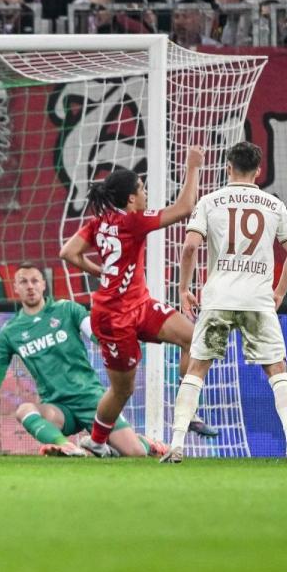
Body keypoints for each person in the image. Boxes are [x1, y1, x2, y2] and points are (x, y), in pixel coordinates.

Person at [0, 263, 210, 456]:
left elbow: (97, 335)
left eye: (35, 280)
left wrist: (125, 335)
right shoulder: (9, 333)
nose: (30, 286)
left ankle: (144, 443)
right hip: (58, 408)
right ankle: (66, 447)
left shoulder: (67, 309)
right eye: (23, 282)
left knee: (135, 454)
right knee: (25, 410)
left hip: (94, 400)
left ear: (43, 284)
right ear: (15, 288)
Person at [161, 141, 287, 464]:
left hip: (218, 298)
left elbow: (189, 247)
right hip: (258, 300)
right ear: (258, 171)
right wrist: (279, 292)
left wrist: (184, 288)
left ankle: (176, 445)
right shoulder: (274, 205)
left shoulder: (210, 201)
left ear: (228, 167)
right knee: (277, 370)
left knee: (197, 369)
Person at [59, 147, 205, 458]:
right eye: (142, 188)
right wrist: (193, 167)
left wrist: (99, 271)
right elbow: (184, 208)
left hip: (140, 304)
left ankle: (187, 408)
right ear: (131, 199)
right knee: (123, 389)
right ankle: (96, 441)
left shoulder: (99, 222)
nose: (145, 193)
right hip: (113, 318)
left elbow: (68, 252)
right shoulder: (133, 222)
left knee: (193, 338)